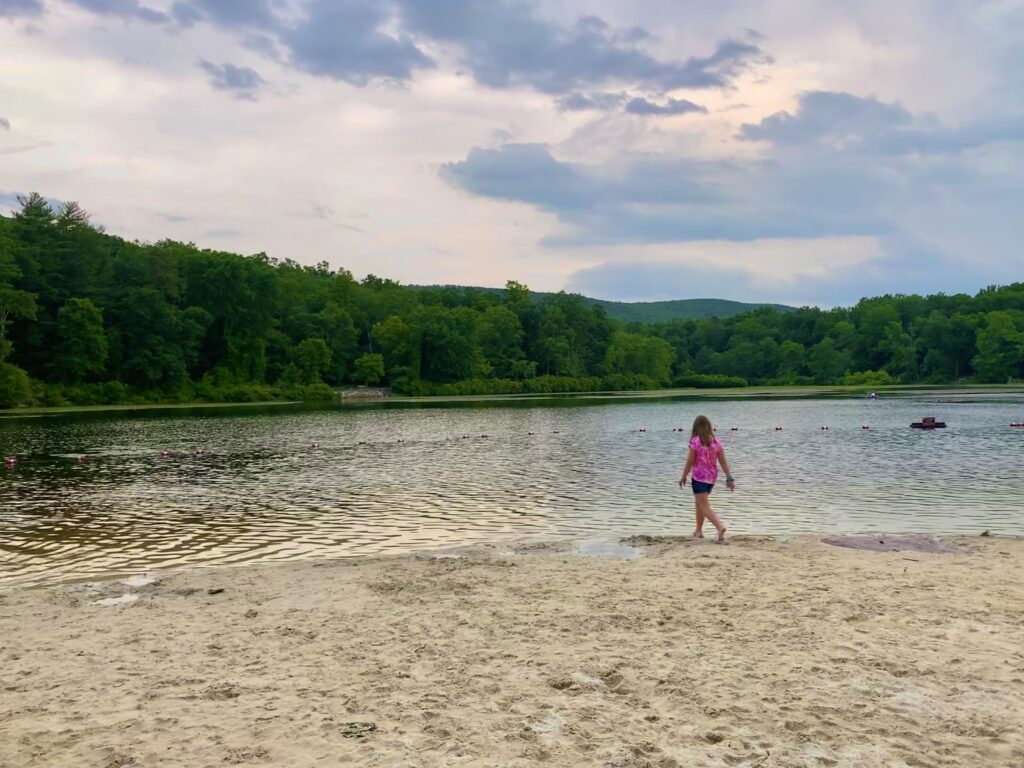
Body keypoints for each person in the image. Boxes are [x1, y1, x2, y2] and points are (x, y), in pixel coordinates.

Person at [678, 415, 735, 543]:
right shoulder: (716, 442)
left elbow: (690, 461)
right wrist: (728, 477)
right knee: (699, 504)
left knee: (703, 505)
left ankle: (720, 527)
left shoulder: (695, 442)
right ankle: (698, 531)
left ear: (695, 427)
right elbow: (723, 462)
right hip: (711, 479)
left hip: (699, 478)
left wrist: (683, 476)